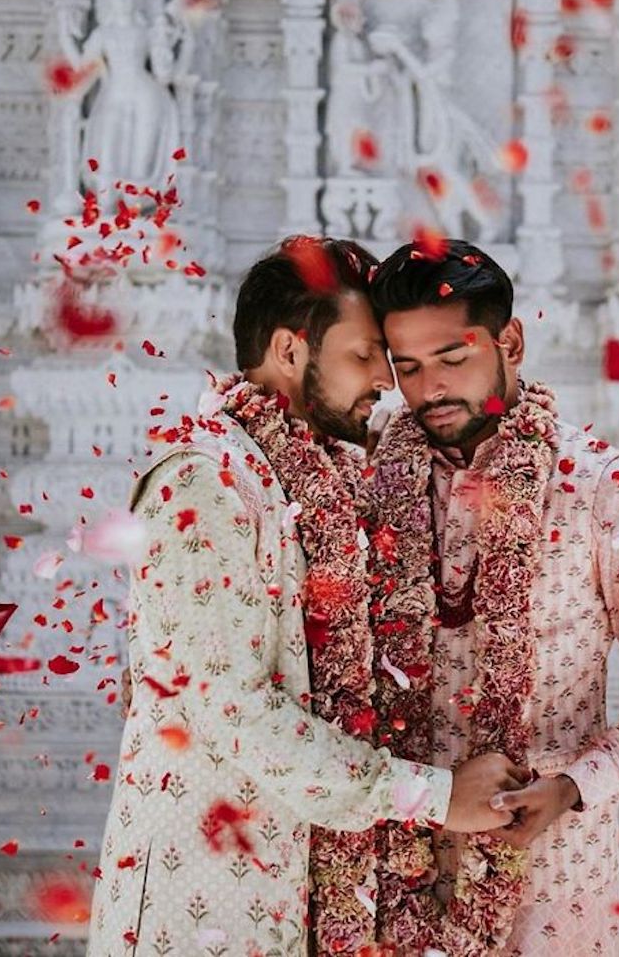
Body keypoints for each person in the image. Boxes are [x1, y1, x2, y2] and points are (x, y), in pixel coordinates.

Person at [87, 237, 528, 957]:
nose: (384, 385)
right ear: (292, 351)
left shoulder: (306, 480)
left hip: (299, 898)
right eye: (362, 356)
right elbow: (235, 709)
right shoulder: (203, 481)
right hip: (202, 909)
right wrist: (436, 795)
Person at [357, 238, 619, 954]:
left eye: (452, 358)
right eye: (409, 367)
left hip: (551, 878)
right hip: (391, 868)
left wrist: (577, 784)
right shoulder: (370, 477)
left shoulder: (603, 489)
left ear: (510, 340)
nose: (429, 389)